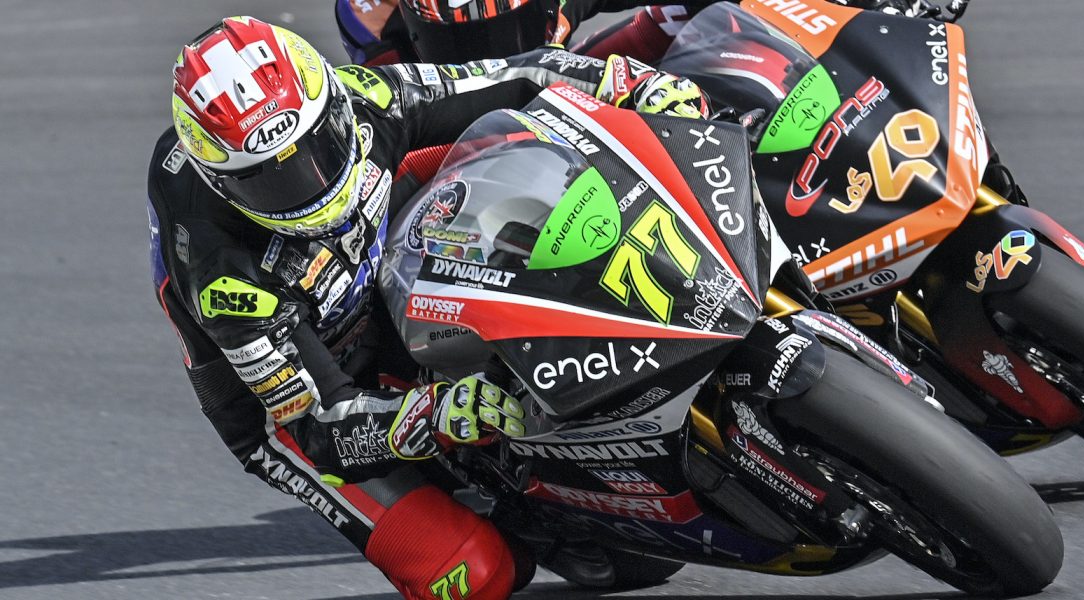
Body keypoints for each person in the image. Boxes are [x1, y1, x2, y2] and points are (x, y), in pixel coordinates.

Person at [146, 16, 707, 600]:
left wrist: (631, 84)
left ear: (331, 102)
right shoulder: (224, 277)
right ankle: (503, 507)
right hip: (301, 404)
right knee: (478, 574)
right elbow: (319, 424)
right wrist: (431, 415)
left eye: (319, 145)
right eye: (269, 180)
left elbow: (515, 76)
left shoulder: (363, 98)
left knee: (512, 147)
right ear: (221, 182)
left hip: (378, 272)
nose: (309, 184)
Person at [336, 0, 698, 67]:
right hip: (450, 121)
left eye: (503, 31)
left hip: (555, 79)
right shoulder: (371, 25)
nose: (488, 62)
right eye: (458, 41)